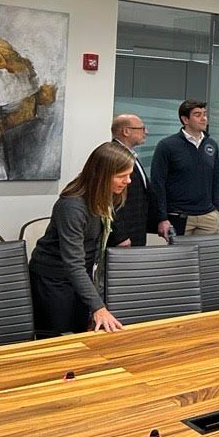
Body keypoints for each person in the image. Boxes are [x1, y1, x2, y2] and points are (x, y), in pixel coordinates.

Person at [28, 143, 132, 335]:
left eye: (129, 174)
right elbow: (73, 263)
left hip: (79, 275)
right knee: (58, 338)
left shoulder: (105, 195)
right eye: (121, 176)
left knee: (80, 332)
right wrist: (98, 307)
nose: (128, 181)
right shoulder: (72, 207)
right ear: (102, 175)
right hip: (53, 280)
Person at [151, 99, 219, 238]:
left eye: (204, 114)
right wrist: (162, 217)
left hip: (208, 216)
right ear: (185, 119)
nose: (204, 118)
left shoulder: (211, 145)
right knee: (179, 252)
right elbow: (158, 183)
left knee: (206, 252)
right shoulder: (167, 145)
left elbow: (216, 178)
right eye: (197, 114)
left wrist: (217, 209)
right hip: (179, 215)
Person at [108, 113, 157, 247]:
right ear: (126, 131)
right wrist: (119, 236)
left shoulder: (130, 155)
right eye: (141, 128)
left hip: (136, 230)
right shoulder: (114, 156)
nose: (146, 131)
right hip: (123, 236)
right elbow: (109, 200)